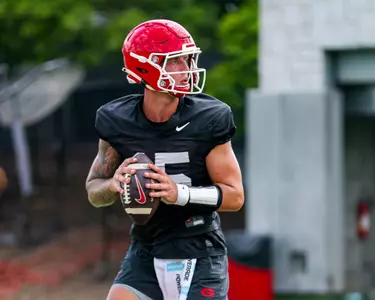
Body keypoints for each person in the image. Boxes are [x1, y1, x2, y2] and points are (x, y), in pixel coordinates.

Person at [85, 19, 244, 300]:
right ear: (144, 66)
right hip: (146, 247)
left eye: (187, 59)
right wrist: (113, 184)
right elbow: (94, 190)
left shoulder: (210, 117)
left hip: (199, 248)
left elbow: (235, 196)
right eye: (175, 61)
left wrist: (178, 193)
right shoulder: (116, 120)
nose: (186, 70)